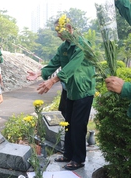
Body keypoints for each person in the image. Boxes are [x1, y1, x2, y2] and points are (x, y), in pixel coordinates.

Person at [26, 17, 96, 170]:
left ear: (69, 27)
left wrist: (52, 81)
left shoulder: (82, 45)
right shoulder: (64, 47)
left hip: (83, 91)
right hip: (70, 90)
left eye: (59, 30)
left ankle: (78, 159)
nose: (57, 34)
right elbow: (54, 62)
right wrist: (39, 73)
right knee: (68, 123)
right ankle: (68, 154)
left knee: (78, 125)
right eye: (56, 31)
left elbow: (72, 67)